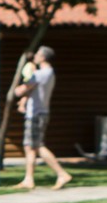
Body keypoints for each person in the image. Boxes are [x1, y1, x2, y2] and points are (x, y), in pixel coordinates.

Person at [13, 46, 72, 191]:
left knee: (38, 146)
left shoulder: (40, 74)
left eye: (38, 54)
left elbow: (19, 91)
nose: (35, 56)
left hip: (35, 114)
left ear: (43, 57)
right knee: (30, 147)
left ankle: (62, 173)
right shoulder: (49, 73)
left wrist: (21, 83)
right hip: (40, 113)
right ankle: (28, 179)